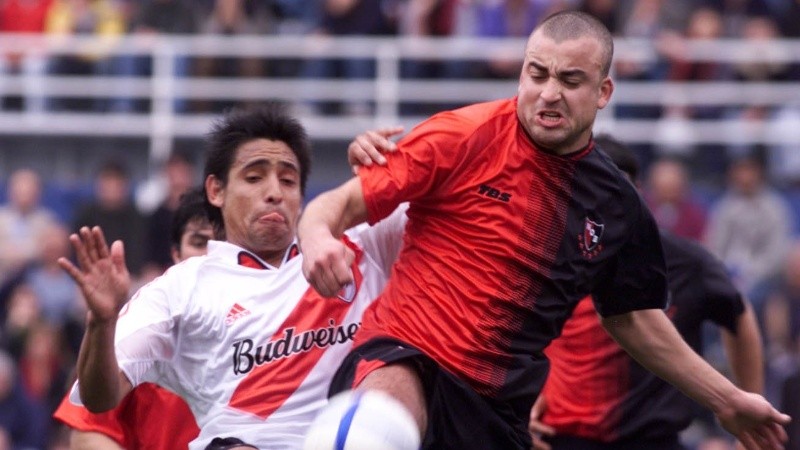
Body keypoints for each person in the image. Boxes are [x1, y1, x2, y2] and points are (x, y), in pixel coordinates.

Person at [297, 10, 790, 450]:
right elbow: (337, 204)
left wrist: (726, 398)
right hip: (405, 354)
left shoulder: (616, 204)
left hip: (496, 405)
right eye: (537, 74)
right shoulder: (460, 135)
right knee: (375, 423)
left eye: (570, 80)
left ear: (603, 92)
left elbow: (634, 318)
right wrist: (318, 235)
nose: (548, 93)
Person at [57, 103, 407, 450]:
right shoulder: (180, 287)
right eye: (254, 177)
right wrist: (102, 323)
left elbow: (449, 185)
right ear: (216, 191)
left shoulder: (361, 245)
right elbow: (99, 399)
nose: (274, 192)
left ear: (302, 197)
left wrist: (391, 165)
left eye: (288, 180)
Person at [527, 134, 764, 450]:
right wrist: (521, 409)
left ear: (635, 195)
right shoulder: (543, 258)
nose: (601, 208)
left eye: (613, 193)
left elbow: (738, 315)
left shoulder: (682, 261)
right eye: (588, 193)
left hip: (651, 439)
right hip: (559, 438)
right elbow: (512, 341)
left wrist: (750, 421)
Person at [52, 187, 211, 450]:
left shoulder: (276, 330)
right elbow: (88, 433)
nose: (208, 256)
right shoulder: (146, 327)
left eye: (221, 245)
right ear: (176, 254)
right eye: (198, 242)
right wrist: (102, 322)